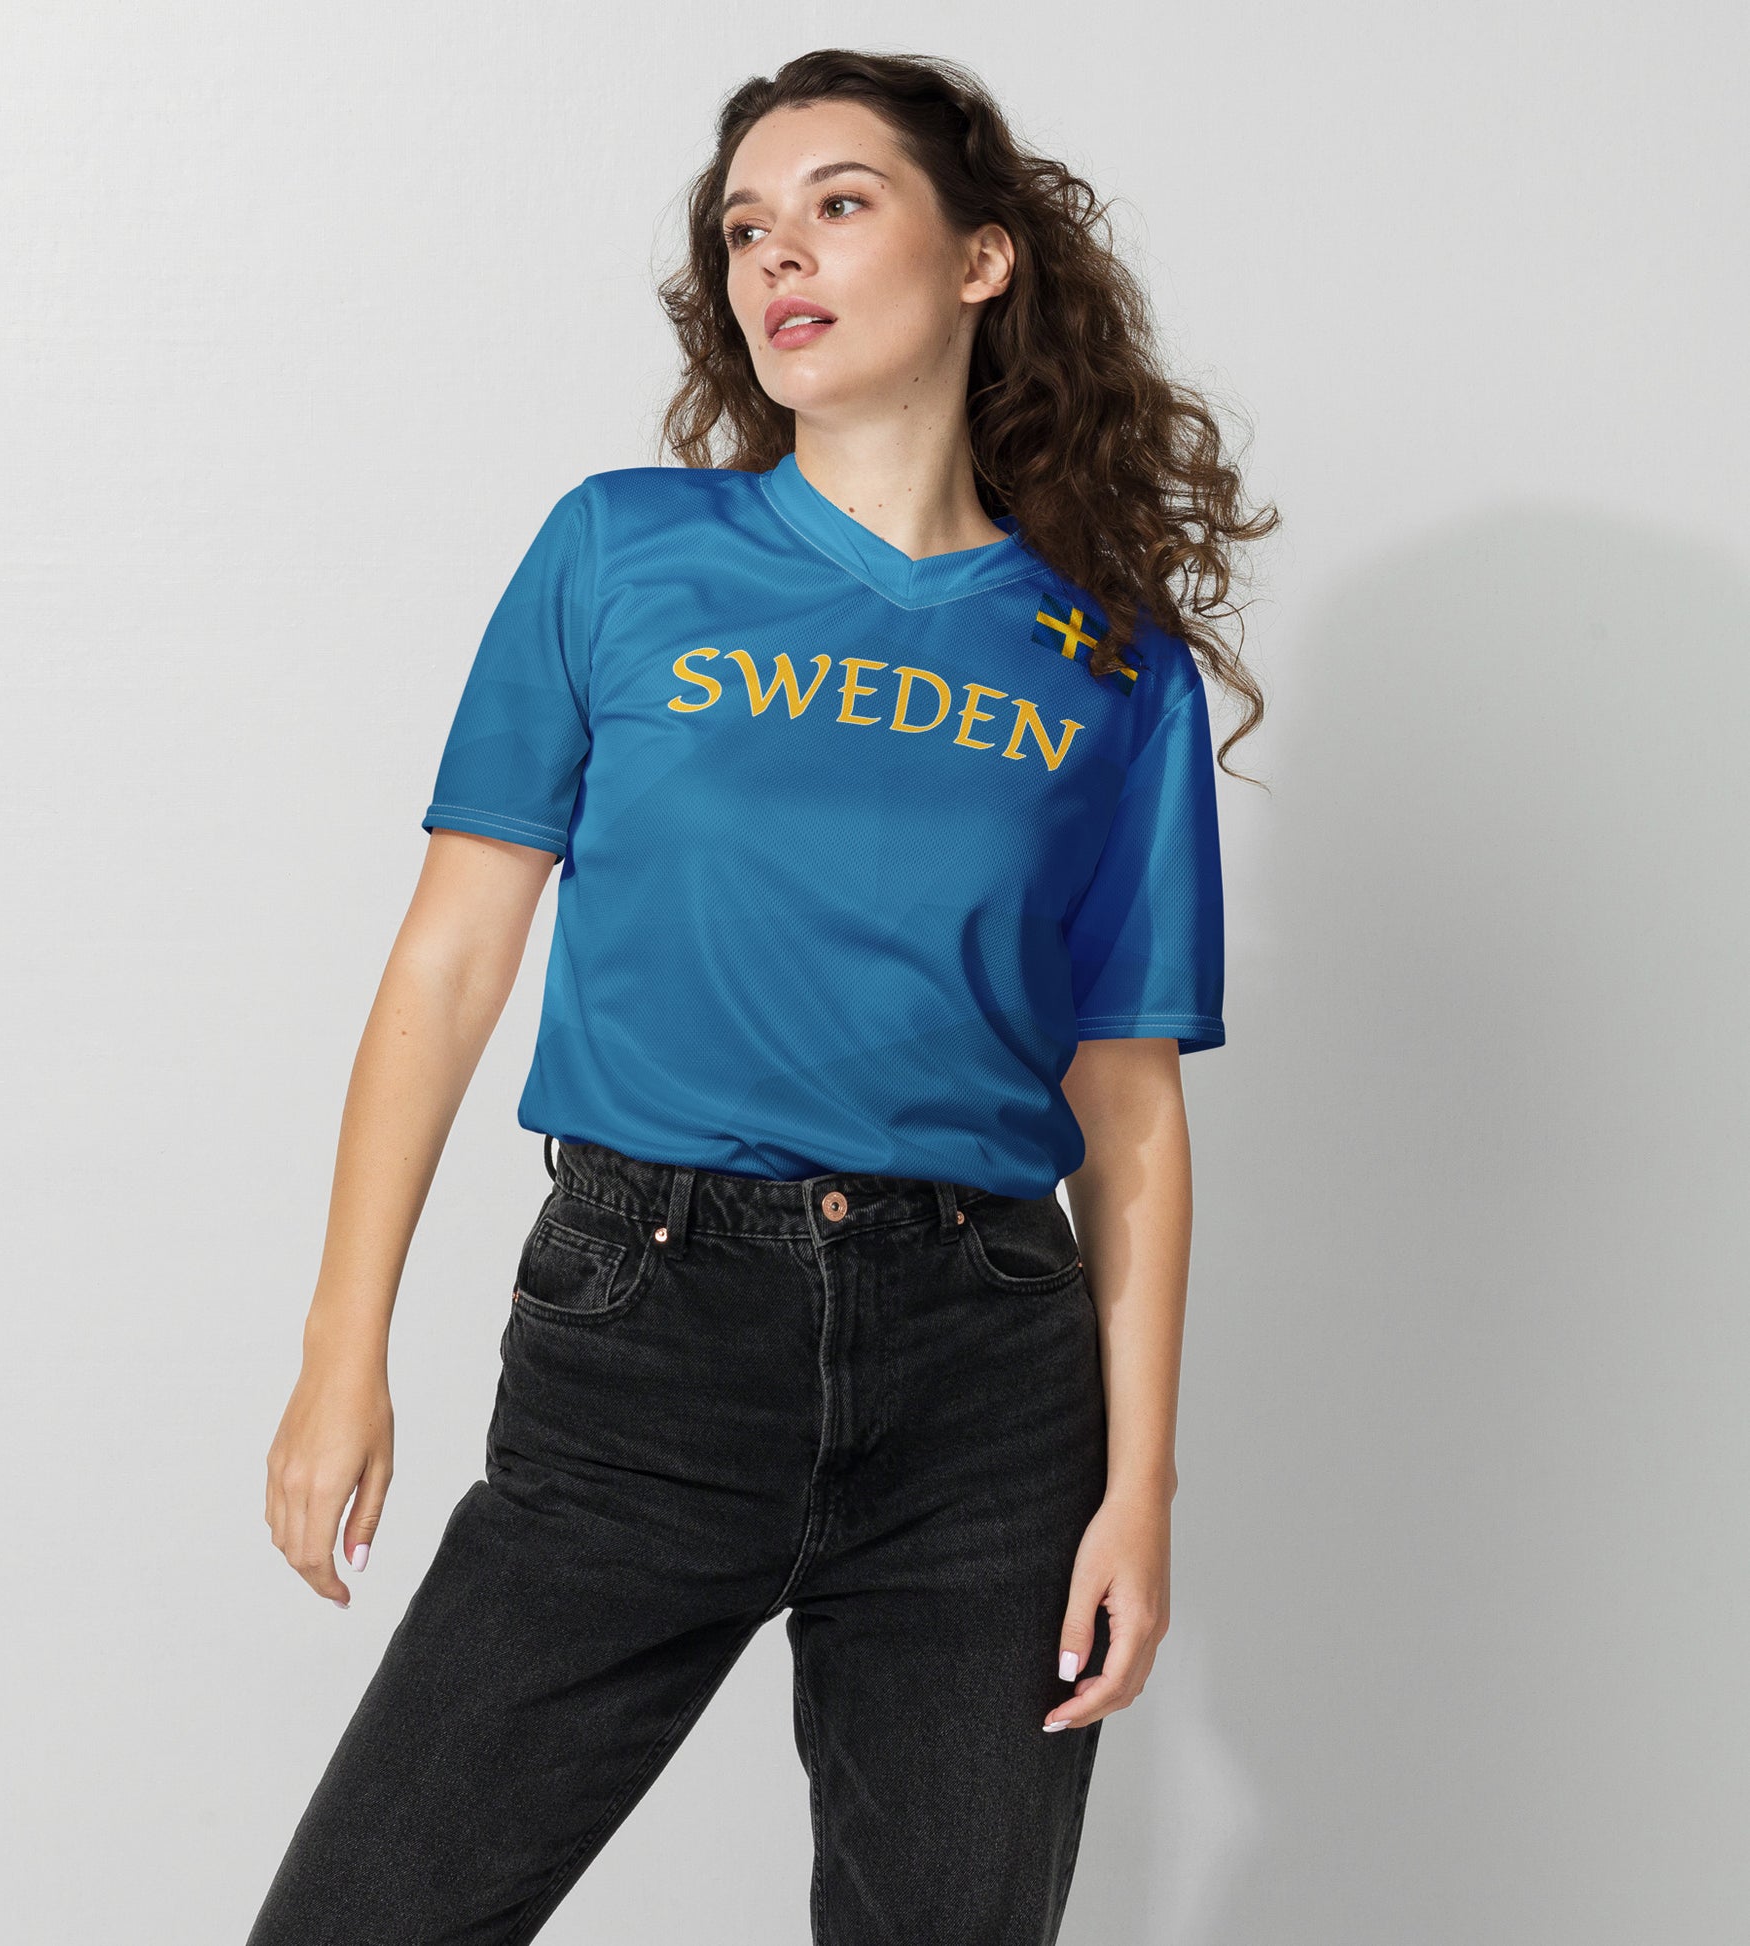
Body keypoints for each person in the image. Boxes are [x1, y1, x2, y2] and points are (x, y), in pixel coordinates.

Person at [248, 46, 1275, 1946]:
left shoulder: (1106, 662)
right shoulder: (623, 551)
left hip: (985, 1379)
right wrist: (342, 1340)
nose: (774, 255)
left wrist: (1137, 1485)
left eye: (837, 204)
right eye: (741, 228)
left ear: (980, 259)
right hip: (646, 1332)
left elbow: (1126, 1100)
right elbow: (450, 961)